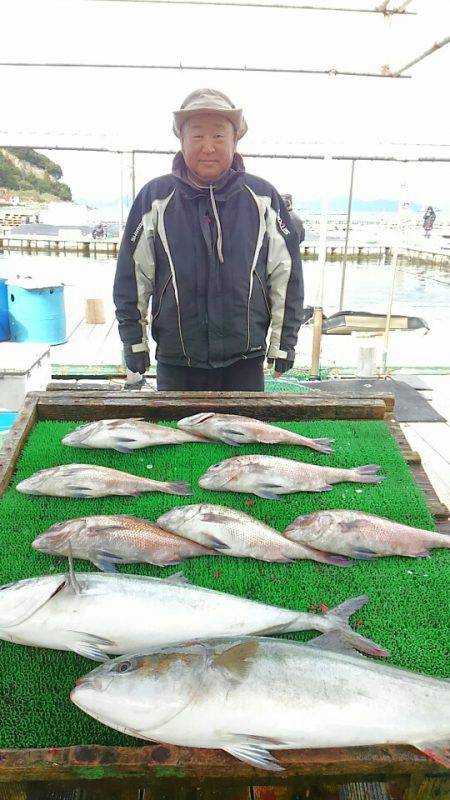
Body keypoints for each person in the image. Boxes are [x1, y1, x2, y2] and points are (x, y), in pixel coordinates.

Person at [113, 88, 303, 391]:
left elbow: (286, 275)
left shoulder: (264, 197)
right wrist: (133, 341)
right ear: (181, 140)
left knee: (244, 437)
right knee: (178, 438)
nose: (208, 147)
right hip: (177, 361)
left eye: (218, 136)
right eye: (197, 136)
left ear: (235, 139)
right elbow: (133, 276)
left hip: (245, 361)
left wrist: (284, 342)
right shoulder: (155, 198)